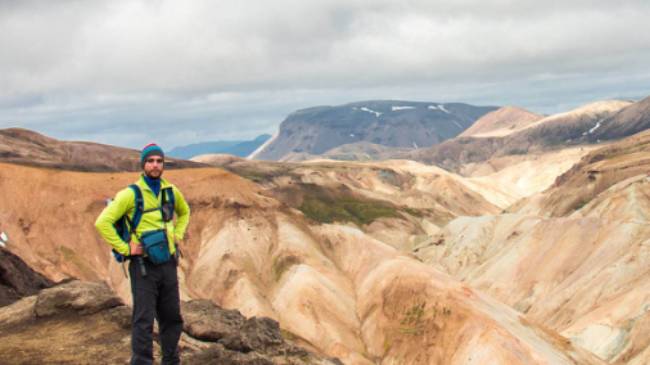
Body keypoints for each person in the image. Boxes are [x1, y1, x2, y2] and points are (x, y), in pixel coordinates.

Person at [95, 143, 190, 365]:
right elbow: (102, 222)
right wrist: (125, 248)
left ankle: (171, 360)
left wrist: (178, 234)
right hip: (143, 266)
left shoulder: (170, 191)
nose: (155, 165)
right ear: (143, 165)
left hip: (168, 263)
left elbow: (185, 212)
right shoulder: (131, 194)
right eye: (151, 161)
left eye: (159, 161)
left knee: (172, 317)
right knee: (144, 320)